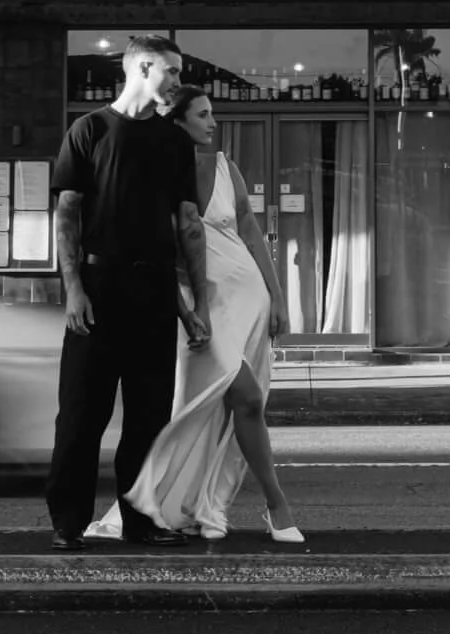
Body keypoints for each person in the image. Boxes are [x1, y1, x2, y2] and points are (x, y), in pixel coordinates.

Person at [84, 85, 303, 544]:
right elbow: (159, 254)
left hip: (247, 301)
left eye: (212, 114)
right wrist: (185, 310)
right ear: (177, 121)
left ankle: (234, 506)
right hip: (198, 305)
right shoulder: (154, 175)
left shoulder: (225, 166)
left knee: (247, 403)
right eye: (203, 115)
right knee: (234, 398)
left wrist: (277, 295)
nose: (213, 123)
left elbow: (250, 231)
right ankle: (271, 503)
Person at [45, 35, 211, 551]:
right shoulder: (89, 130)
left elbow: (187, 224)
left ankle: (138, 521)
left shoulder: (174, 141)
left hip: (155, 288)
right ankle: (68, 525)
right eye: (172, 72)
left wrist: (193, 307)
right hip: (98, 286)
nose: (178, 82)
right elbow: (67, 214)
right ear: (142, 67)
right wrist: (73, 290)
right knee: (81, 415)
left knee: (148, 417)